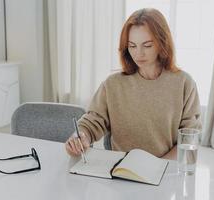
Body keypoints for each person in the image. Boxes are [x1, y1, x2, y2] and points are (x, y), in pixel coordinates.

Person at [65, 8, 201, 160]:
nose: (138, 54)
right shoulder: (113, 84)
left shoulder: (184, 84)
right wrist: (80, 137)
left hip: (166, 172)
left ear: (162, 43)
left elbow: (189, 138)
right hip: (122, 172)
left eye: (147, 45)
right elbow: (91, 122)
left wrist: (158, 167)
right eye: (132, 46)